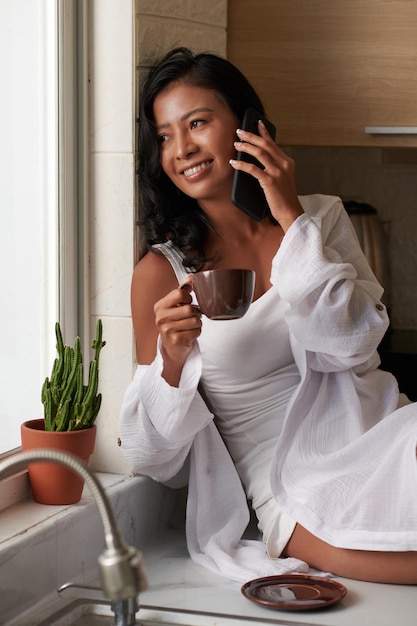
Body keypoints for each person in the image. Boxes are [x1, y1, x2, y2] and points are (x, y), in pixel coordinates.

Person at [119, 47, 417, 584]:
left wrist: (291, 218)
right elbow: (152, 458)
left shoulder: (317, 218)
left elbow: (354, 345)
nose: (181, 148)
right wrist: (171, 361)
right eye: (164, 135)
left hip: (388, 436)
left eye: (198, 123)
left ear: (248, 126)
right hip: (300, 492)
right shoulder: (161, 272)